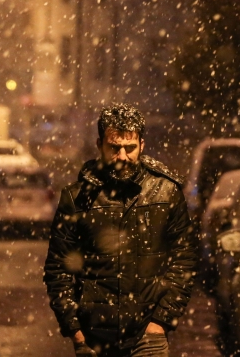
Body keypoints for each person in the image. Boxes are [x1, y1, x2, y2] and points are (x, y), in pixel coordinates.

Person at [43, 103, 198, 357]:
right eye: (114, 148)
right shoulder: (77, 198)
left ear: (142, 145)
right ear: (99, 145)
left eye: (130, 148)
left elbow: (185, 260)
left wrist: (160, 322)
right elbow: (57, 269)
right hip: (94, 338)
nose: (123, 156)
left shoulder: (166, 192)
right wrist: (76, 332)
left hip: (148, 338)